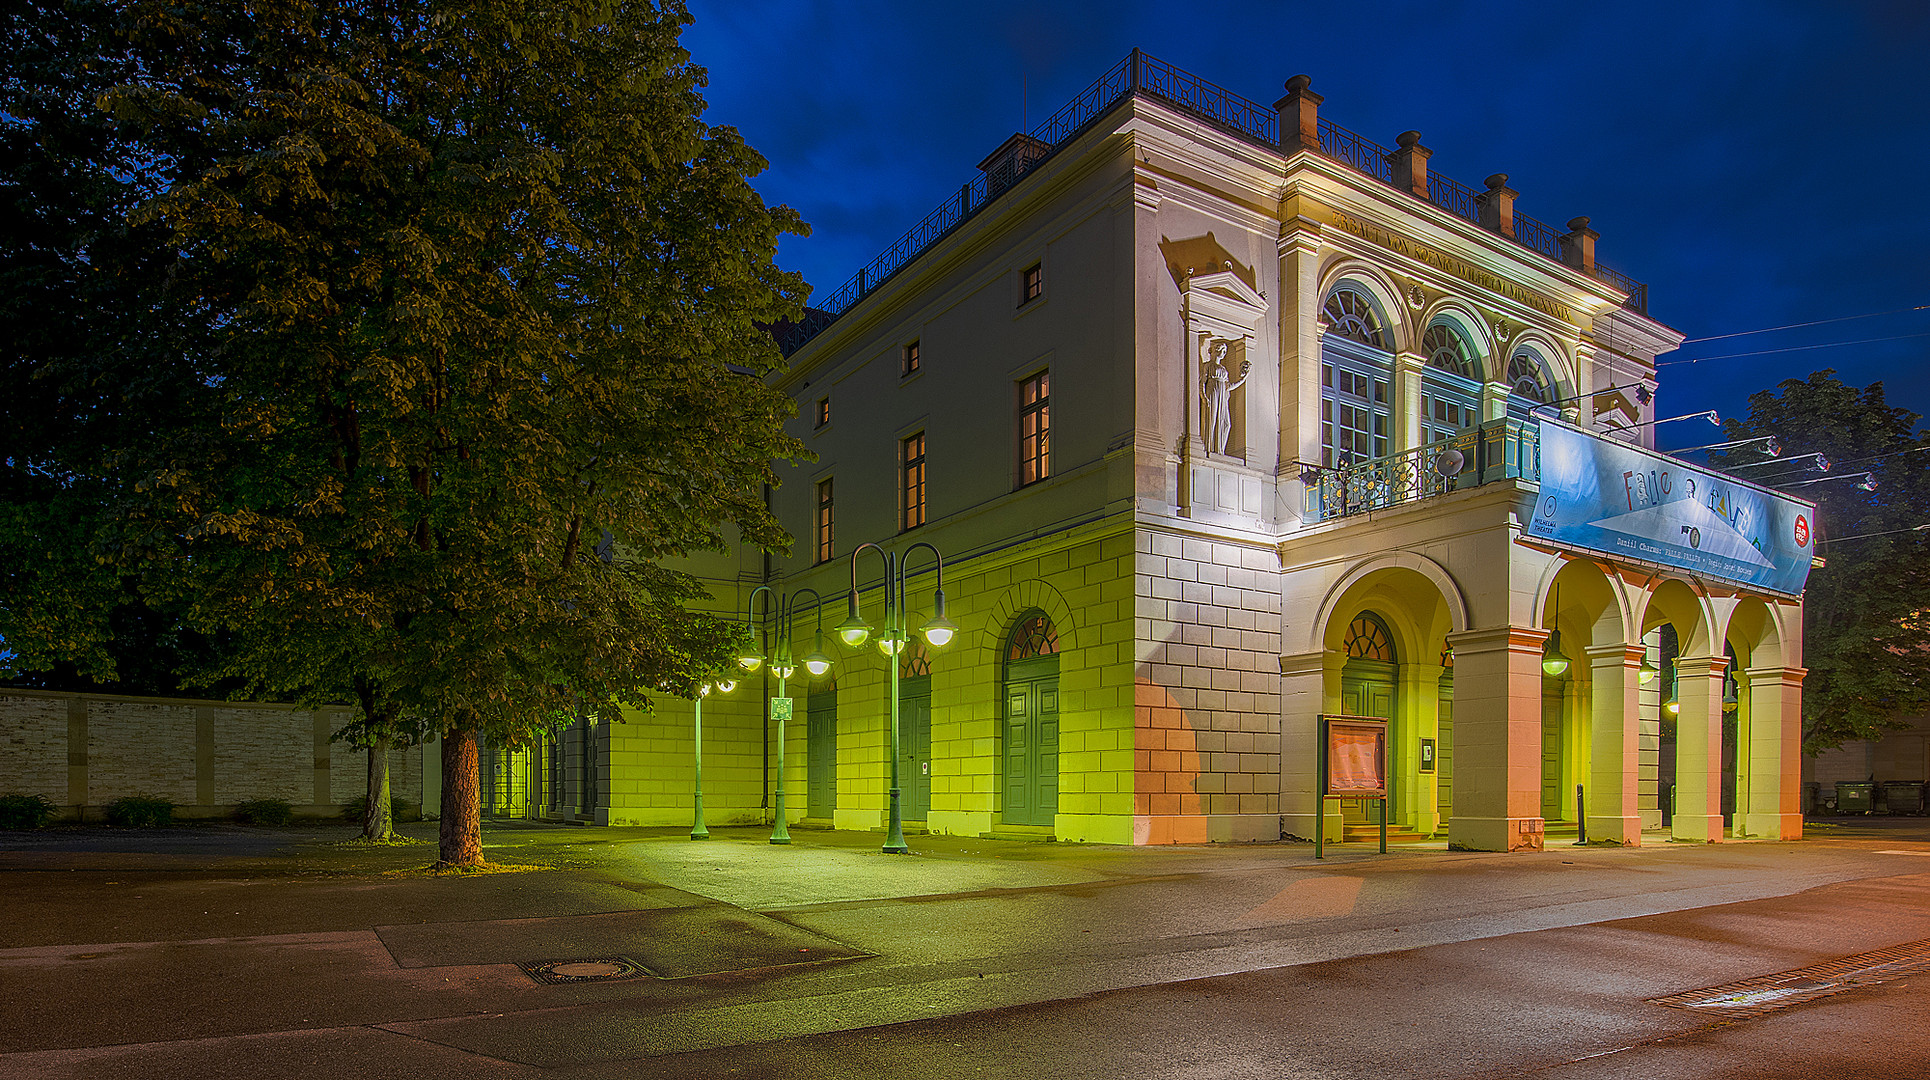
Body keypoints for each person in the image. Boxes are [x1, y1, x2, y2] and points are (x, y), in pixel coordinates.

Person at [1200, 340, 1250, 455]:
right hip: (1212, 392)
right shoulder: (1208, 365)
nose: (1223, 353)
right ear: (1215, 350)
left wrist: (1242, 379)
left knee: (1226, 423)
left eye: (1224, 351)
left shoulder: (1223, 369)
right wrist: (1204, 396)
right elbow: (1202, 382)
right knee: (1211, 420)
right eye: (1221, 350)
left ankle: (1220, 449)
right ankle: (1210, 448)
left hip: (1222, 395)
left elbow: (1229, 386)